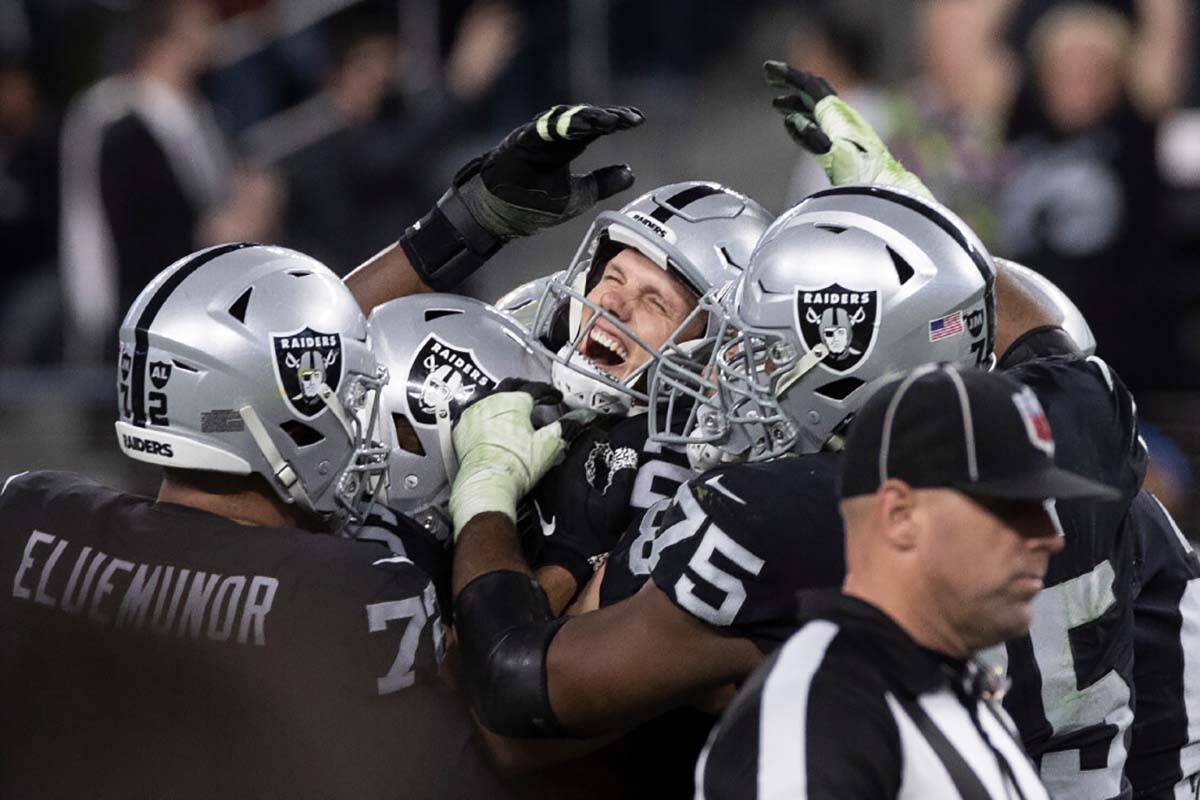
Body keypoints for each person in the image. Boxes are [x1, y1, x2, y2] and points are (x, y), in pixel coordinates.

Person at [0, 244, 508, 798]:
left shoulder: (32, 517)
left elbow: (262, 383)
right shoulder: (349, 591)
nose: (359, 420)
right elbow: (509, 685)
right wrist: (492, 493)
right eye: (348, 397)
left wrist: (448, 232)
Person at [695, 364, 1119, 799]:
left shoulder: (954, 692)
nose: (1049, 537)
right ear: (900, 516)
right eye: (1013, 508)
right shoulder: (819, 713)